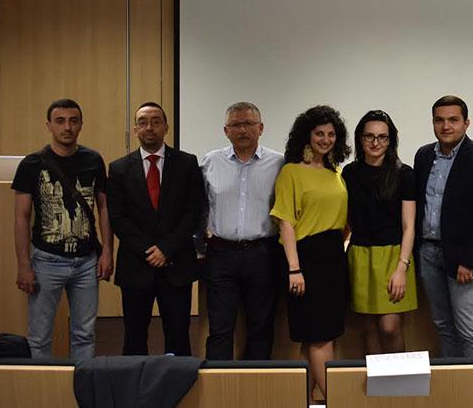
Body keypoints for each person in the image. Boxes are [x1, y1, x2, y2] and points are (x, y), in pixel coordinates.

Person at [414, 95, 473, 408]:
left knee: (471, 330)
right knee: (444, 326)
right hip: (429, 253)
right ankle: (455, 393)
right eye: (439, 120)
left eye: (453, 120)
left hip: (466, 260)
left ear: (466, 123)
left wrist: (470, 260)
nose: (446, 126)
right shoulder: (424, 155)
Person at [11, 98, 114, 361]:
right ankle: (42, 385)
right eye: (60, 121)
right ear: (49, 125)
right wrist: (24, 265)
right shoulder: (32, 164)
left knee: (85, 334)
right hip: (46, 260)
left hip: (87, 261)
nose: (67, 127)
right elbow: (22, 217)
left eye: (73, 121)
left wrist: (107, 251)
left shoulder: (93, 160)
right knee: (39, 337)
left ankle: (82, 383)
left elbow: (104, 207)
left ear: (81, 124)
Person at [108, 102, 205, 356]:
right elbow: (118, 218)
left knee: (178, 336)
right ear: (135, 129)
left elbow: (193, 212)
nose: (149, 127)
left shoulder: (187, 163)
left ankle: (178, 381)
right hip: (136, 264)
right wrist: (149, 250)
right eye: (143, 122)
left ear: (166, 127)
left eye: (156, 121)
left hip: (176, 264)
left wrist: (166, 249)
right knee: (134, 337)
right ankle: (135, 381)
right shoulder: (119, 168)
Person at [270, 105, 350, 403]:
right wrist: (294, 268)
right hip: (305, 260)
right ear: (307, 136)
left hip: (334, 258)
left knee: (315, 337)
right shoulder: (291, 172)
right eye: (319, 134)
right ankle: (336, 401)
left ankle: (299, 400)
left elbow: (342, 220)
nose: (326, 140)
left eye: (331, 134)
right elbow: (286, 221)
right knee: (320, 337)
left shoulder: (336, 172)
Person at [199, 102, 284, 360]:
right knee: (220, 328)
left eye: (248, 123)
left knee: (261, 327)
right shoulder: (210, 162)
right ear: (226, 130)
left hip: (263, 253)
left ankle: (254, 382)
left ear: (261, 128)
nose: (242, 130)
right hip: (221, 254)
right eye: (235, 125)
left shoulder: (279, 163)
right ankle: (218, 382)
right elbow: (199, 207)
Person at [342, 110, 417, 354]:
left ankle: (400, 379)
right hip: (360, 255)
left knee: (389, 326)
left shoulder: (404, 174)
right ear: (360, 138)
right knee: (369, 328)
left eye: (382, 137)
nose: (375, 143)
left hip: (394, 256)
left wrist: (401, 268)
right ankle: (375, 380)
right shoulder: (349, 173)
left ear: (390, 140)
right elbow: (345, 219)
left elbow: (409, 226)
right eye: (369, 136)